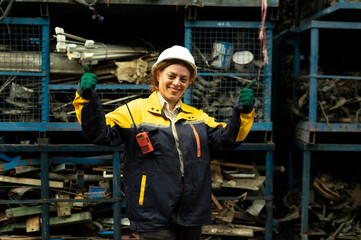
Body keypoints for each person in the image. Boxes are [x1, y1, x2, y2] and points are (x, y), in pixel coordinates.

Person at [73, 45, 255, 240]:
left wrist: (242, 114)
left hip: (191, 210)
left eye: (183, 79)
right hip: (152, 210)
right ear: (158, 74)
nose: (177, 83)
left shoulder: (197, 117)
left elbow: (224, 141)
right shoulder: (134, 112)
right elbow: (99, 134)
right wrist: (87, 98)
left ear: (189, 83)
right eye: (171, 76)